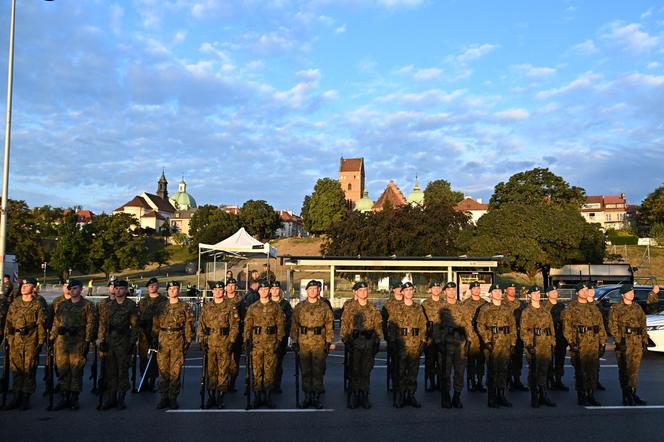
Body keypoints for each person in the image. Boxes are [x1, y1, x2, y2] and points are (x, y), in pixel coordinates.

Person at [51, 279, 96, 410]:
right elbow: (56, 322)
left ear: (81, 289)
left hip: (78, 342)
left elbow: (90, 324)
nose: (72, 290)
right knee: (63, 369)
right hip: (63, 342)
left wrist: (87, 341)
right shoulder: (62, 304)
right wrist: (52, 337)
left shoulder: (87, 305)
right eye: (70, 288)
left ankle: (74, 398)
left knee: (76, 370)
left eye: (75, 288)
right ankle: (64, 396)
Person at [3, 278, 46, 410]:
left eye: (27, 285)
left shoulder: (37, 305)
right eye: (23, 285)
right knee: (16, 370)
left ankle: (26, 398)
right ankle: (16, 397)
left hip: (30, 341)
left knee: (29, 370)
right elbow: (8, 322)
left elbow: (41, 325)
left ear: (33, 289)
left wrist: (40, 342)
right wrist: (7, 338)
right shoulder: (15, 303)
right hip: (15, 340)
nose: (23, 287)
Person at [291, 280, 335, 409]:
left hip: (319, 342)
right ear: (306, 291)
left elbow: (329, 324)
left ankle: (316, 396)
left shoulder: (324, 306)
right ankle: (307, 396)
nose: (313, 291)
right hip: (303, 342)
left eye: (315, 289)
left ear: (319, 291)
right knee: (305, 371)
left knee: (318, 370)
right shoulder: (299, 307)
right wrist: (294, 341)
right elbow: (294, 325)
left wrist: (328, 341)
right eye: (310, 289)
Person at [151, 281, 194, 409]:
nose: (172, 291)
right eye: (170, 289)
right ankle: (163, 397)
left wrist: (187, 341)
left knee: (175, 371)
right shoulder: (161, 306)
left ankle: (173, 397)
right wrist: (154, 338)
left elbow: (188, 325)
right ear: (167, 291)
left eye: (175, 289)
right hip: (163, 340)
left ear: (179, 290)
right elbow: (155, 324)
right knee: (163, 370)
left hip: (178, 339)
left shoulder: (184, 307)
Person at [562, 281, 607, 406]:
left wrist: (602, 343)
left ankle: (591, 394)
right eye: (582, 291)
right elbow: (567, 327)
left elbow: (601, 326)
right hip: (579, 344)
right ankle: (581, 395)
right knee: (580, 372)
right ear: (577, 293)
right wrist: (571, 343)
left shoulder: (593, 308)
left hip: (593, 343)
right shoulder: (571, 307)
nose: (585, 292)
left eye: (586, 290)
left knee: (592, 371)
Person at [97, 279, 139, 410]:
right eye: (116, 288)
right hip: (110, 342)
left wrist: (132, 343)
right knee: (110, 371)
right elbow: (103, 324)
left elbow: (135, 326)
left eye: (121, 288)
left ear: (126, 290)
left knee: (122, 371)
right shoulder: (108, 306)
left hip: (124, 342)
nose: (118, 290)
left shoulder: (131, 305)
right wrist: (101, 340)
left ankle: (121, 398)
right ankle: (111, 397)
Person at [340, 281, 383, 409]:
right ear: (356, 293)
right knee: (354, 371)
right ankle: (355, 395)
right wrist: (346, 341)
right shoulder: (350, 308)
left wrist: (377, 342)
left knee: (366, 371)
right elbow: (345, 327)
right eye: (361, 290)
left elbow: (378, 327)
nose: (363, 292)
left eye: (365, 290)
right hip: (355, 344)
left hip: (368, 344)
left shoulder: (373, 308)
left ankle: (364, 396)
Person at [243, 280, 285, 408]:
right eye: (262, 289)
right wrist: (246, 340)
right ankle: (257, 396)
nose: (264, 291)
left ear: (269, 291)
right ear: (259, 291)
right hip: (256, 343)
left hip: (271, 343)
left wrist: (279, 340)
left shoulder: (276, 307)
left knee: (269, 371)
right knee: (256, 371)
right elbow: (248, 326)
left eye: (267, 289)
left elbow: (280, 325)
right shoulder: (253, 307)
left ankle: (267, 396)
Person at [198, 281, 240, 409]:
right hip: (210, 343)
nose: (218, 292)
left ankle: (220, 397)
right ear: (213, 292)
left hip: (224, 342)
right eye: (215, 290)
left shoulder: (230, 306)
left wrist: (232, 341)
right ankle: (211, 396)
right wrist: (202, 340)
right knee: (211, 371)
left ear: (223, 291)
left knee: (223, 371)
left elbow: (234, 325)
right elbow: (201, 325)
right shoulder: (207, 306)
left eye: (220, 290)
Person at [477, 283, 517, 408]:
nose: (498, 293)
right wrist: (486, 341)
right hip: (492, 344)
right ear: (490, 294)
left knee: (503, 370)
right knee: (492, 371)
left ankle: (501, 395)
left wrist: (513, 343)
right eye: (495, 291)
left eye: (499, 291)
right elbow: (480, 325)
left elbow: (513, 326)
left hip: (505, 342)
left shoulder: (507, 308)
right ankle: (492, 397)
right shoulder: (485, 309)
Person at [608, 284, 648, 406]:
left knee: (634, 370)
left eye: (632, 292)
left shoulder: (637, 307)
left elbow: (643, 325)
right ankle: (626, 395)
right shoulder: (616, 308)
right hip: (624, 342)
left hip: (636, 341)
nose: (632, 294)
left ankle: (633, 393)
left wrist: (644, 341)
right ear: (622, 294)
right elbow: (612, 326)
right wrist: (619, 341)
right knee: (624, 370)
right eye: (629, 292)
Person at [436, 281, 473, 408]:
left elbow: (468, 324)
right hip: (446, 345)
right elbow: (436, 326)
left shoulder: (462, 306)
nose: (452, 292)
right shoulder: (441, 307)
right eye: (449, 290)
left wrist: (469, 340)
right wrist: (438, 342)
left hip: (460, 345)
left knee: (459, 371)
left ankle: (457, 396)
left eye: (453, 290)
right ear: (445, 291)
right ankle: (445, 396)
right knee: (445, 372)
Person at [390, 281, 427, 408]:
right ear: (402, 292)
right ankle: (400, 395)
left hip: (415, 345)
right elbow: (392, 326)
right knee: (400, 372)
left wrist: (423, 341)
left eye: (411, 290)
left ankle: (410, 395)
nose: (409, 292)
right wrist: (393, 342)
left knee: (413, 372)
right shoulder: (397, 308)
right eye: (406, 290)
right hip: (401, 345)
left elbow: (423, 326)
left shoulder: (418, 308)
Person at [520, 285, 556, 408]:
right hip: (533, 345)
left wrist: (552, 342)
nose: (537, 295)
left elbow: (551, 328)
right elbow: (523, 330)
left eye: (538, 292)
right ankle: (534, 396)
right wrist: (529, 344)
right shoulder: (526, 311)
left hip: (545, 344)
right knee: (534, 371)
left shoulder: (545, 310)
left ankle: (544, 395)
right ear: (529, 295)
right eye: (534, 293)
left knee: (544, 371)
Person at [137, 277, 167, 393]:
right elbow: (137, 316)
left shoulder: (163, 300)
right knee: (143, 357)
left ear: (158, 286)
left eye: (154, 285)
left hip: (158, 333)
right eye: (150, 286)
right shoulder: (143, 302)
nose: (152, 287)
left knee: (155, 359)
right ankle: (144, 380)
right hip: (144, 334)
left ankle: (152, 382)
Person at [461, 281, 488, 392]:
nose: (476, 290)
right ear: (471, 290)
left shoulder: (485, 304)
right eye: (474, 288)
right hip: (470, 336)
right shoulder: (464, 304)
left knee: (481, 361)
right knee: (471, 361)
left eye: (478, 288)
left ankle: (480, 382)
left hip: (481, 337)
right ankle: (471, 381)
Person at [543, 286, 568, 391]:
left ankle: (558, 379)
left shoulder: (562, 306)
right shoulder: (544, 307)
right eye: (552, 292)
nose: (554, 293)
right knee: (549, 359)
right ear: (547, 294)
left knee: (560, 358)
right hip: (549, 335)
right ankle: (549, 379)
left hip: (560, 335)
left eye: (555, 291)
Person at [504, 282, 527, 392]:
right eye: (510, 289)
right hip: (506, 335)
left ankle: (517, 379)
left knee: (518, 359)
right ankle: (508, 381)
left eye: (514, 289)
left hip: (518, 334)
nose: (513, 291)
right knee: (507, 359)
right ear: (505, 291)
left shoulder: (521, 304)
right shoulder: (502, 304)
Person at [421, 280, 444, 391]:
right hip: (430, 338)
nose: (436, 289)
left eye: (438, 287)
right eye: (433, 288)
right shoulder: (425, 304)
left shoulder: (444, 303)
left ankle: (440, 382)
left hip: (442, 338)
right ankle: (431, 382)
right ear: (430, 290)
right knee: (430, 362)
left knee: (441, 362)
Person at [270, 281, 292, 394]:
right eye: (273, 289)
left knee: (278, 363)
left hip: (280, 338)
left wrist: (285, 336)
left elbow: (289, 321)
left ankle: (276, 385)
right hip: (266, 339)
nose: (275, 291)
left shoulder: (285, 304)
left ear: (280, 290)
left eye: (277, 289)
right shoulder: (265, 303)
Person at [225, 278, 246, 392]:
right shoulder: (221, 299)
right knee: (222, 361)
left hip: (237, 335)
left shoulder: (241, 300)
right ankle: (222, 383)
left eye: (233, 285)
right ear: (226, 287)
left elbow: (244, 317)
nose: (231, 287)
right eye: (229, 285)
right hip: (222, 336)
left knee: (234, 361)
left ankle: (231, 383)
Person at [382, 282, 403, 392]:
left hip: (406, 339)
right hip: (393, 338)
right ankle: (394, 382)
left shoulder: (408, 302)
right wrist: (386, 336)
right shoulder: (388, 304)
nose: (400, 290)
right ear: (393, 290)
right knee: (394, 362)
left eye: (401, 288)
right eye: (397, 288)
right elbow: (384, 321)